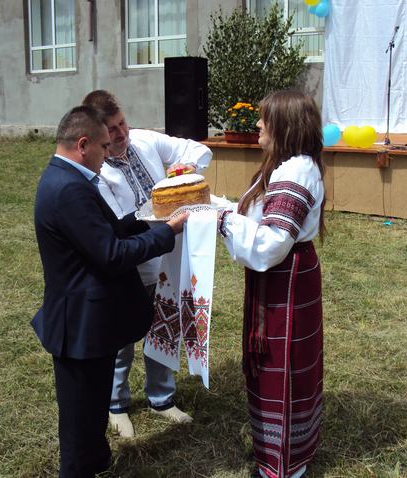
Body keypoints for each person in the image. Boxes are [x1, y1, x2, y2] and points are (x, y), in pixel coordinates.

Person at [32, 105, 188, 477]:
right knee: (80, 416)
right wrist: (167, 232)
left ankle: (97, 460)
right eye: (104, 147)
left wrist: (149, 217)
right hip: (79, 325)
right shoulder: (69, 188)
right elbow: (111, 254)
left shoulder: (68, 178)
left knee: (91, 407)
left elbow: (106, 230)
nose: (108, 154)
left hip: (90, 321)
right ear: (83, 145)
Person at [81, 90, 212, 437]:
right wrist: (161, 217)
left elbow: (196, 150)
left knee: (163, 327)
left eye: (122, 123)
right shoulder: (97, 172)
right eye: (111, 129)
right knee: (121, 339)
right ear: (97, 132)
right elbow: (118, 224)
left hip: (166, 258)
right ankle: (116, 404)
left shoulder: (144, 140)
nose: (121, 133)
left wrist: (184, 173)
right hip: (131, 264)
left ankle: (161, 398)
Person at [217, 91, 325, 478]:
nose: (258, 124)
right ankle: (280, 454)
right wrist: (215, 206)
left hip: (285, 280)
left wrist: (221, 221)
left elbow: (270, 243)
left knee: (285, 364)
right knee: (281, 364)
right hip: (285, 276)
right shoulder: (289, 166)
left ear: (285, 126)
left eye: (265, 119)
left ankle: (283, 466)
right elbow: (261, 219)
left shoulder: (295, 173)